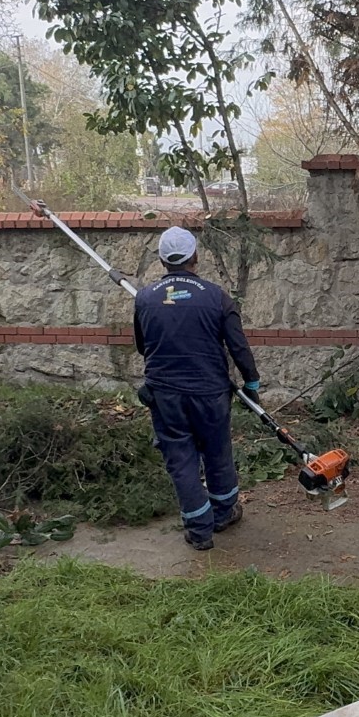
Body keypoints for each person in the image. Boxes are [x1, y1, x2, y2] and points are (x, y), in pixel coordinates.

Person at [134, 227, 261, 551]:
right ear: (195, 258)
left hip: (166, 397)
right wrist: (252, 383)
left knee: (181, 458)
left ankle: (199, 530)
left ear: (162, 260)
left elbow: (141, 347)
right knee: (218, 451)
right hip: (211, 395)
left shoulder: (146, 298)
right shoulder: (216, 296)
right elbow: (238, 345)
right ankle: (223, 513)